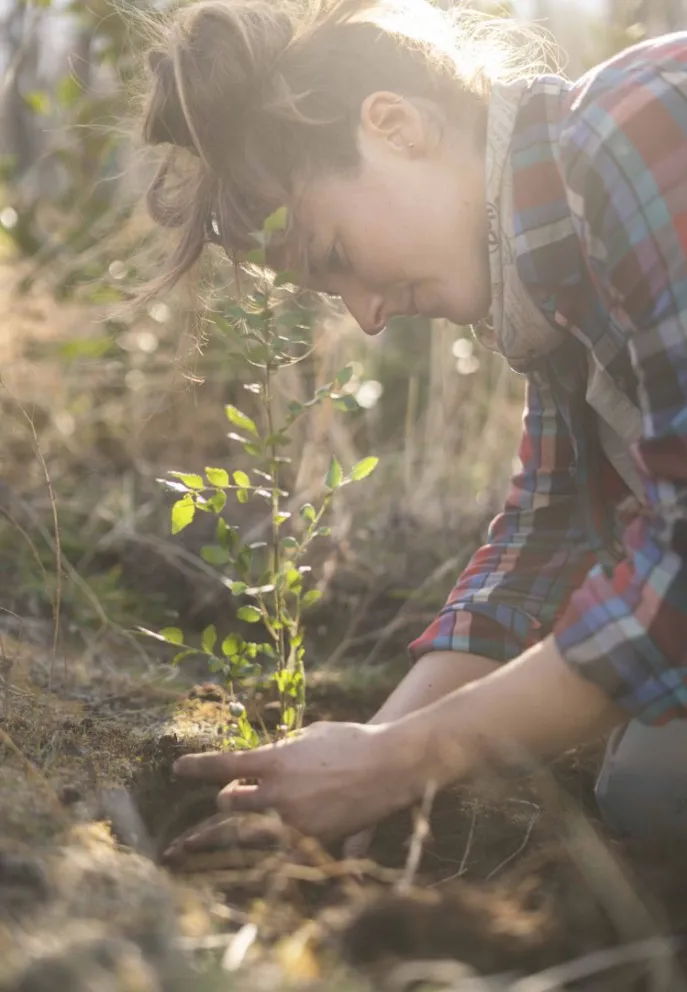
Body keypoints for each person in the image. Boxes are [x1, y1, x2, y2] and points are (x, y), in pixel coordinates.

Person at [140, 0, 687, 849]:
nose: (364, 317)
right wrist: (368, 763)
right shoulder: (551, 285)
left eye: (335, 258)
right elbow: (544, 539)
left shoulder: (631, 129)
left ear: (394, 125)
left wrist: (404, 760)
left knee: (657, 791)